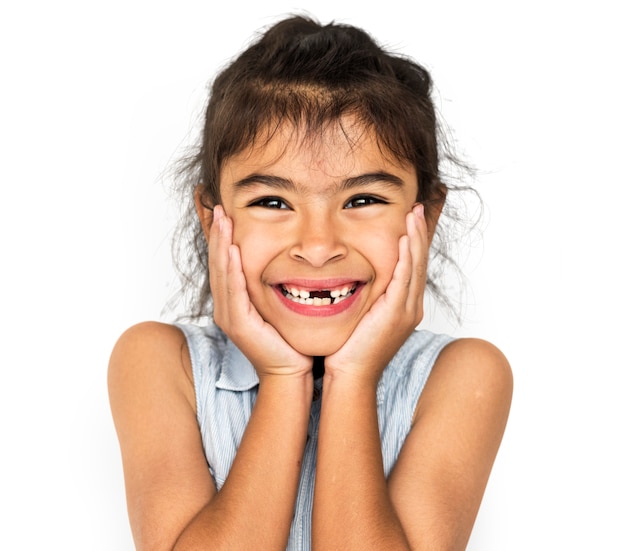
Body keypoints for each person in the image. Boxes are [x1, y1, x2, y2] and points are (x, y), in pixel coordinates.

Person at [108, 14, 513, 551]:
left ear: (427, 216)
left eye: (363, 200)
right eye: (272, 202)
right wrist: (281, 378)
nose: (318, 246)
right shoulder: (161, 364)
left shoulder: (461, 378)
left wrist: (354, 376)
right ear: (211, 217)